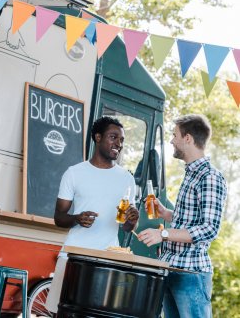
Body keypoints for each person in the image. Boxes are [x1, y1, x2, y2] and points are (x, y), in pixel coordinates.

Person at [45, 116, 139, 314]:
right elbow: (58, 217)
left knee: (98, 314)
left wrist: (133, 220)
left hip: (108, 259)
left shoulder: (127, 178)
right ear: (97, 137)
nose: (118, 144)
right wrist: (76, 218)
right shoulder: (74, 173)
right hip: (73, 255)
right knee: (62, 312)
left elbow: (126, 227)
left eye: (121, 140)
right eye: (113, 137)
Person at [138, 114, 227, 318]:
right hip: (171, 267)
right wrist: (166, 213)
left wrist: (163, 234)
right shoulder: (191, 174)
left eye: (174, 135)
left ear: (188, 138)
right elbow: (189, 220)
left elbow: (209, 229)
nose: (171, 140)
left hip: (191, 274)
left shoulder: (210, 177)